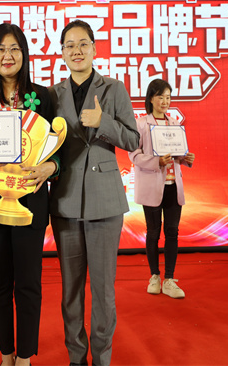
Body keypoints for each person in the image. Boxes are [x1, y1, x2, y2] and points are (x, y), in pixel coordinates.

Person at [0, 23, 58, 366]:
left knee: (29, 283)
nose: (8, 55)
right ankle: (6, 354)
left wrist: (51, 168)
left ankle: (25, 356)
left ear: (24, 54)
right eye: (1, 49)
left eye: (15, 48)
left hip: (30, 203)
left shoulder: (43, 96)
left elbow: (58, 149)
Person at [48, 19, 139, 366]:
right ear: (62, 53)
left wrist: (103, 123)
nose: (77, 50)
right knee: (70, 289)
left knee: (102, 289)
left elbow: (134, 139)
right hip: (65, 200)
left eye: (83, 43)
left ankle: (102, 357)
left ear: (94, 48)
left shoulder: (114, 88)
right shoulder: (52, 95)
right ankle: (76, 356)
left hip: (105, 201)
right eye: (69, 45)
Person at [128, 79, 195, 299]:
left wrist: (185, 158)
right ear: (151, 98)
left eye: (168, 97)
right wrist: (156, 161)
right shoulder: (141, 124)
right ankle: (154, 276)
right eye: (160, 97)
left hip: (173, 186)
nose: (165, 101)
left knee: (172, 232)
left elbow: (178, 153)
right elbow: (133, 154)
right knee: (153, 232)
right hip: (152, 186)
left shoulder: (174, 124)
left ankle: (169, 279)